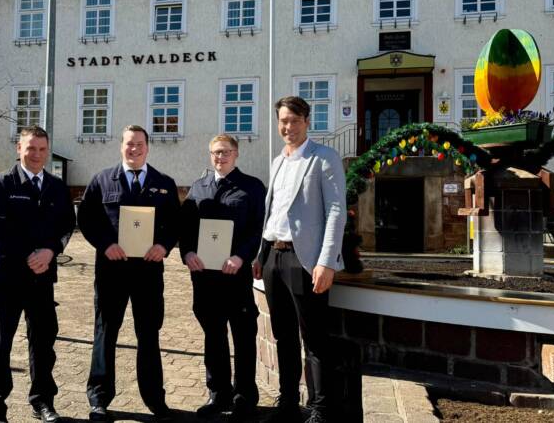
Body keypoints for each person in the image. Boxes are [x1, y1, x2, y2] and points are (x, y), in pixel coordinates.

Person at [254, 97, 362, 423]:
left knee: (314, 340)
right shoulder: (277, 162)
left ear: (306, 121)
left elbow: (335, 211)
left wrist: (327, 262)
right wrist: (261, 255)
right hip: (274, 257)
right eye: (283, 121)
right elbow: (271, 212)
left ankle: (320, 408)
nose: (288, 127)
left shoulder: (323, 158)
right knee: (283, 336)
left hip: (305, 261)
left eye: (294, 121)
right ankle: (288, 402)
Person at [77, 125, 181, 422]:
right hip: (112, 270)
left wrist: (163, 245)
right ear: (120, 146)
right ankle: (99, 398)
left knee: (148, 334)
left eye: (139, 144)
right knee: (105, 332)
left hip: (148, 272)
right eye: (128, 144)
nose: (133, 149)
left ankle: (154, 399)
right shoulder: (101, 180)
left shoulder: (164, 183)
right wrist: (105, 243)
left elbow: (175, 223)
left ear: (147, 147)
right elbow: (87, 219)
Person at [0, 126, 75, 423]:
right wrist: (30, 255)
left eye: (42, 149)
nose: (36, 155)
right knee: (0, 345)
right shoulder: (1, 183)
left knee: (44, 344)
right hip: (6, 278)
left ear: (48, 151)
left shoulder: (57, 187)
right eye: (30, 148)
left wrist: (50, 251)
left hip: (42, 278)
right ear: (18, 149)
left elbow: (66, 225)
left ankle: (43, 402)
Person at [180, 134, 266, 422]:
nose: (221, 157)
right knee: (213, 337)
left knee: (243, 336)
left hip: (236, 276)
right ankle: (218, 394)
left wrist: (242, 256)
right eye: (216, 152)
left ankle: (244, 397)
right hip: (205, 278)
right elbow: (187, 228)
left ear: (236, 154)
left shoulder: (252, 188)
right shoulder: (198, 187)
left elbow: (258, 229)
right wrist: (188, 253)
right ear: (210, 155)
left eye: (226, 152)